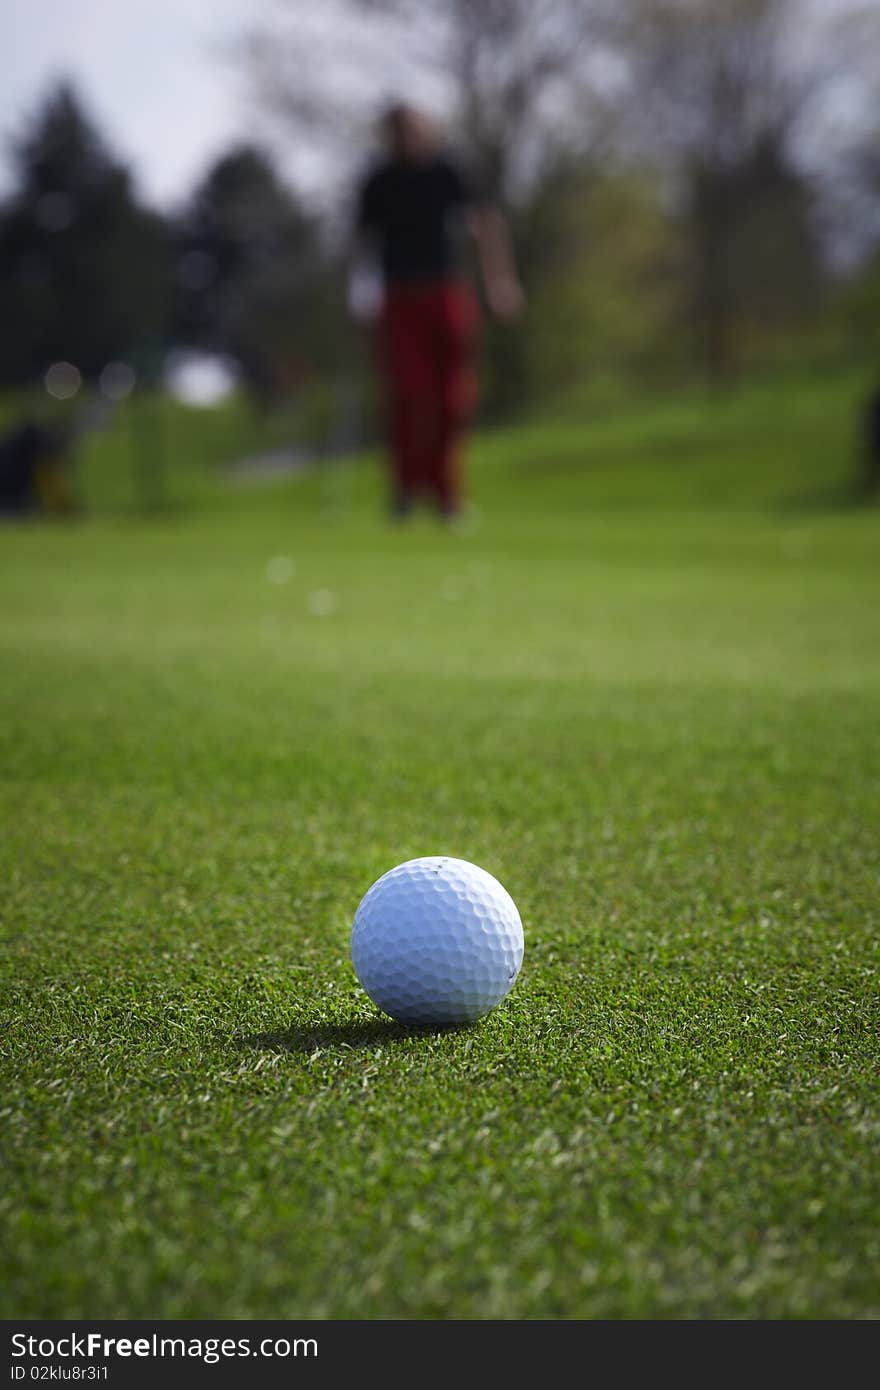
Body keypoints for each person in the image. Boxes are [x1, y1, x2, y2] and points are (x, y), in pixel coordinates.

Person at [353, 102, 523, 519]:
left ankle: (448, 493)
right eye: (397, 132)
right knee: (407, 395)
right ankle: (405, 491)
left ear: (424, 131)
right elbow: (361, 241)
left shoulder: (450, 172)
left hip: (446, 292)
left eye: (410, 130)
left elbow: (487, 224)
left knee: (453, 398)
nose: (405, 139)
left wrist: (499, 281)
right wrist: (358, 291)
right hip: (398, 297)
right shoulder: (379, 181)